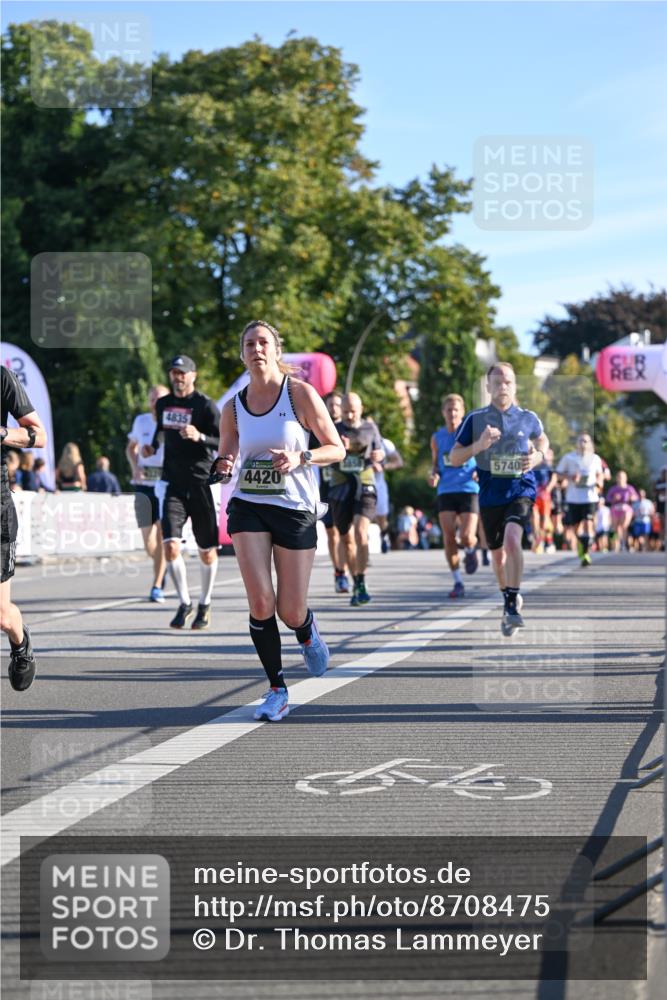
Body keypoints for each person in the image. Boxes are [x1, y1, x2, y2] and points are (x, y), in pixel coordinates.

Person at [212, 320, 344, 723]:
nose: (256, 349)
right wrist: (223, 465)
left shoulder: (300, 394)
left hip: (295, 506)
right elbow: (227, 453)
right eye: (249, 343)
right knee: (260, 601)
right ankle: (276, 689)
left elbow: (336, 448)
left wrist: (301, 458)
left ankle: (305, 630)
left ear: (276, 350)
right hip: (248, 504)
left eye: (263, 342)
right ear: (243, 353)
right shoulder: (232, 407)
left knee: (289, 609)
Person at [450, 362, 549, 636]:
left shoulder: (528, 417)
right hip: (491, 495)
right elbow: (454, 458)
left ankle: (512, 604)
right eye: (497, 383)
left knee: (513, 539)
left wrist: (539, 456)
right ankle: (508, 597)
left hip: (521, 489)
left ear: (514, 385)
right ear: (488, 387)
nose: (502, 387)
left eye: (507, 382)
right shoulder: (475, 419)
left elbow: (544, 441)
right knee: (497, 556)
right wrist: (479, 445)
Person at [142, 355, 221, 629]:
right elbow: (160, 432)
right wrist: (152, 447)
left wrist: (200, 436)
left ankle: (205, 603)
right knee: (171, 546)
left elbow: (224, 440)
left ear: (193, 375)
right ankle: (185, 602)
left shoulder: (206, 405)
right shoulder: (164, 404)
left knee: (207, 552)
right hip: (173, 483)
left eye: (183, 373)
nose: (178, 377)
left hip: (201, 483)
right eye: (174, 373)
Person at [1, 367, 47, 690]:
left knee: (2, 615)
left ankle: (20, 643)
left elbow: (38, 435)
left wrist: (3, 434)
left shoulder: (3, 379)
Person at [328, 392, 384, 606]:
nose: (349, 415)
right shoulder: (333, 429)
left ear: (361, 409)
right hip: (340, 487)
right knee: (347, 539)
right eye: (345, 412)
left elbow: (378, 451)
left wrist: (379, 456)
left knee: (361, 533)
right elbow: (323, 455)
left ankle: (361, 580)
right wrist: (339, 450)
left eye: (353, 411)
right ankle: (356, 581)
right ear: (340, 411)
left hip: (365, 483)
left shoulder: (371, 428)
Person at [429, 393, 480, 598]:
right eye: (449, 410)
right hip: (446, 490)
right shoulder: (437, 438)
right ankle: (458, 581)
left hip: (469, 488)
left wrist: (480, 472)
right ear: (443, 413)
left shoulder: (471, 433)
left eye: (456, 410)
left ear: (462, 412)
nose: (452, 413)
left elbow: (483, 457)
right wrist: (433, 475)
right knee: (449, 537)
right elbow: (436, 465)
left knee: (467, 536)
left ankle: (470, 550)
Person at [127, 385, 170, 602]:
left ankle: (157, 585)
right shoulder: (141, 421)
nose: (156, 402)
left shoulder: (173, 422)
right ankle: (164, 564)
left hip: (166, 485)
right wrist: (135, 466)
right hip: (143, 486)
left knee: (163, 537)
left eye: (160, 398)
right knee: (148, 544)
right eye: (152, 399)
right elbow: (130, 447)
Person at [555, 433, 605, 567]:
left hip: (590, 497)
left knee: (588, 523)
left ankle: (586, 554)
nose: (583, 443)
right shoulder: (569, 458)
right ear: (577, 443)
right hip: (573, 498)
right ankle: (582, 545)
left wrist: (599, 484)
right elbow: (558, 474)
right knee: (575, 528)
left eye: (586, 441)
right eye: (581, 440)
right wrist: (570, 477)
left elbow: (600, 475)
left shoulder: (595, 458)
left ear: (590, 444)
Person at [318, 392, 350, 594]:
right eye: (331, 404)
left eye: (338, 404)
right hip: (326, 486)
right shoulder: (318, 425)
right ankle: (339, 571)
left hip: (346, 486)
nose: (335, 408)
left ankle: (348, 570)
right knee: (332, 532)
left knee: (345, 532)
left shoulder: (348, 429)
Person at [374, 436, 404, 553]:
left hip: (378, 485)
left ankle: (384, 536)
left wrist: (384, 466)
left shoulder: (384, 443)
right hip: (357, 486)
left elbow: (399, 462)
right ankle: (362, 549)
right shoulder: (349, 438)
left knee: (381, 517)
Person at [606, 471, 639, 552]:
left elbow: (636, 497)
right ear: (617, 478)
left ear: (625, 478)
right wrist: (614, 499)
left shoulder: (629, 488)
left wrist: (632, 498)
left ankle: (624, 543)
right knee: (614, 528)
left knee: (624, 526)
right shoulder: (613, 489)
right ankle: (614, 545)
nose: (620, 479)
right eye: (619, 477)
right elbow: (608, 499)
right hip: (615, 508)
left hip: (626, 507)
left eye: (622, 477)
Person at [630, 488, 654, 552]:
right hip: (637, 521)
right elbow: (632, 512)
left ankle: (645, 547)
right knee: (638, 535)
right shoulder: (635, 503)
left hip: (646, 521)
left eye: (642, 494)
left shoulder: (648, 502)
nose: (641, 495)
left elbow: (652, 511)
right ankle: (641, 546)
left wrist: (647, 514)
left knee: (646, 534)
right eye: (640, 494)